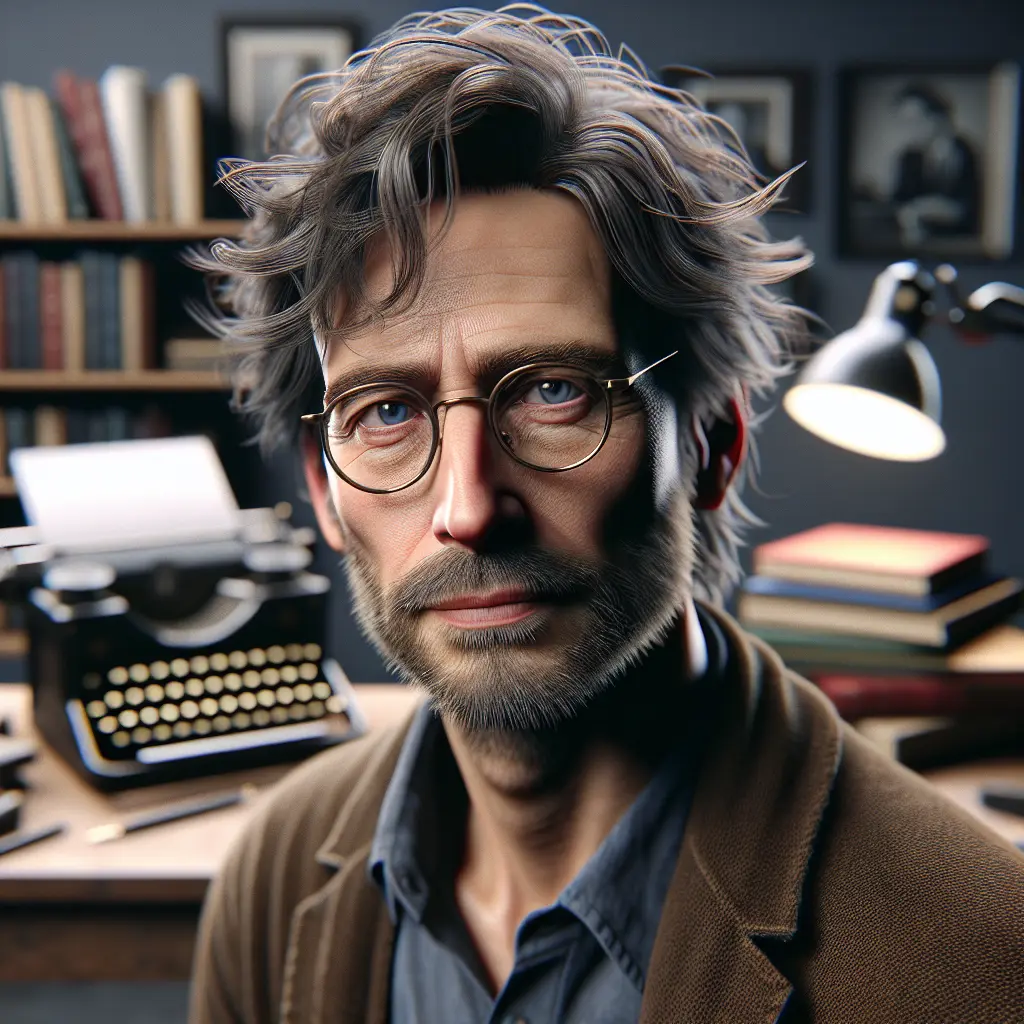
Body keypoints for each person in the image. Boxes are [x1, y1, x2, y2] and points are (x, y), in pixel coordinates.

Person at [188, 8, 1024, 1023]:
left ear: (711, 445)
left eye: (555, 393)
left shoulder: (981, 962)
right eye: (387, 413)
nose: (468, 507)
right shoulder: (272, 884)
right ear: (323, 491)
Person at [889, 81, 981, 248]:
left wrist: (934, 209)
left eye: (915, 121)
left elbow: (973, 209)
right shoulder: (908, 157)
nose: (910, 130)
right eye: (905, 123)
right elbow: (898, 201)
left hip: (961, 244)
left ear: (939, 117)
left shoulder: (968, 153)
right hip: (916, 243)